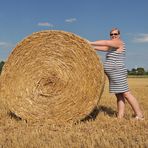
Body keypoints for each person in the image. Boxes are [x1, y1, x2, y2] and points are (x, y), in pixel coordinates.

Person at [88, 28, 144, 120]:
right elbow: (104, 47)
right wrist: (87, 46)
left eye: (115, 34)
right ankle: (120, 116)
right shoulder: (112, 47)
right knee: (119, 95)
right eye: (111, 34)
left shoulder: (119, 42)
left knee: (126, 93)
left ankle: (140, 115)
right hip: (113, 74)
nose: (113, 35)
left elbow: (105, 43)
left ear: (119, 35)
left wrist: (90, 42)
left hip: (118, 72)